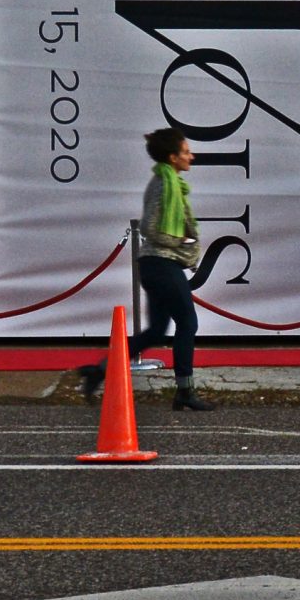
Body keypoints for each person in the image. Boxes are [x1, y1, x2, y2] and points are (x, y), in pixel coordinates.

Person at [81, 129, 214, 411]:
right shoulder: (164, 185)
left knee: (156, 331)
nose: (191, 156)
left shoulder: (172, 184)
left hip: (158, 265)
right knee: (188, 323)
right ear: (172, 157)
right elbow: (149, 228)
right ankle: (185, 391)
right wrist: (181, 241)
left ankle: (99, 371)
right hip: (161, 263)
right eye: (186, 152)